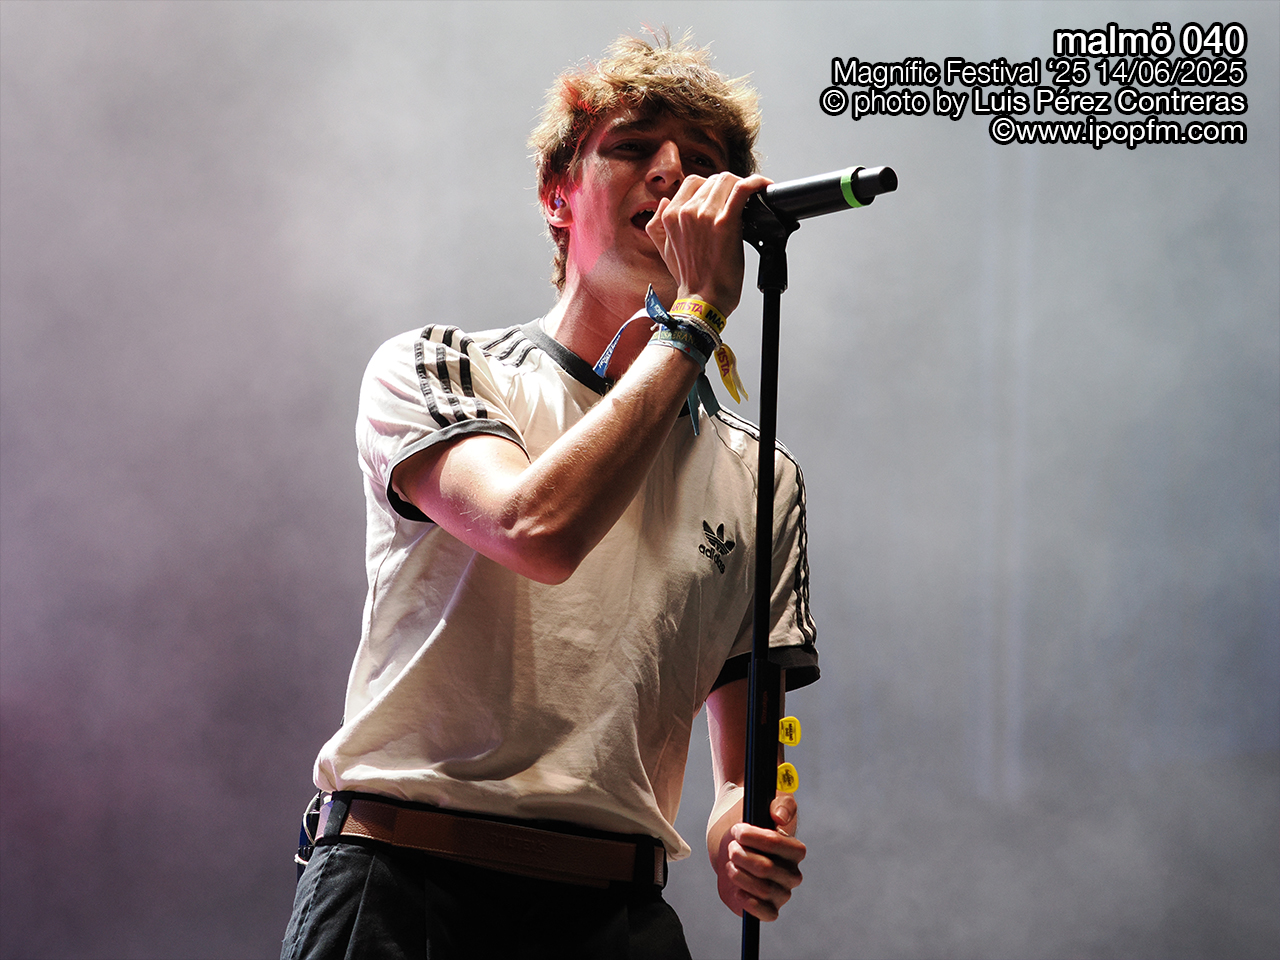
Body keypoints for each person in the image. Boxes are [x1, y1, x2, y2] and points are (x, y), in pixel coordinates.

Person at [282, 32, 819, 960]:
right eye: (633, 147)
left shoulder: (761, 478)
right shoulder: (443, 366)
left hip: (616, 913)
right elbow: (535, 529)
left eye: (702, 164)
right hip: (408, 886)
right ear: (556, 195)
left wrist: (742, 832)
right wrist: (693, 320)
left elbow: (744, 775)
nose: (669, 173)